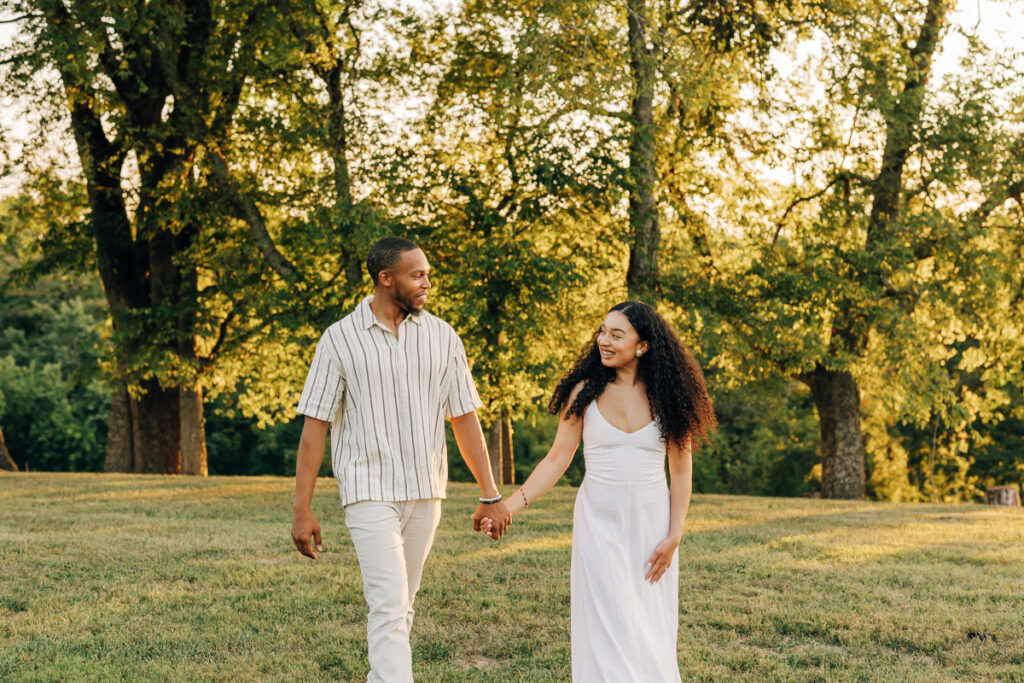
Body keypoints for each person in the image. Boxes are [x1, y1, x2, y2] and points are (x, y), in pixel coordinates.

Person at [290, 236, 511, 683]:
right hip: (367, 491)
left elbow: (464, 419)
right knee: (389, 602)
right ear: (385, 279)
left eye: (427, 273)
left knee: (403, 602)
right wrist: (302, 507)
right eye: (417, 275)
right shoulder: (339, 340)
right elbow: (315, 426)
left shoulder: (443, 336)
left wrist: (490, 493)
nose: (427, 282)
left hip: (426, 490)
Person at [482, 300, 715, 682]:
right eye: (602, 332)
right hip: (598, 524)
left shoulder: (668, 399)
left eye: (616, 334)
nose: (604, 340)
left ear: (643, 346)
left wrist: (675, 534)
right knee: (608, 626)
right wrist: (509, 506)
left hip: (652, 528)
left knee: (649, 629)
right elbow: (556, 460)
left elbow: (681, 469)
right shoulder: (583, 394)